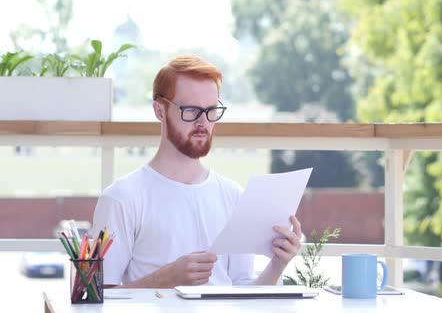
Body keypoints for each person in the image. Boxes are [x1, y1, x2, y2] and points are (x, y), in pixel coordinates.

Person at [91, 55, 302, 288]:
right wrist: (164, 280)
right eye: (191, 111)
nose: (203, 123)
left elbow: (243, 292)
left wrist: (278, 265)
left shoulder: (234, 195)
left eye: (211, 111)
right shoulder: (122, 198)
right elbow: (99, 301)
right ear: (159, 110)